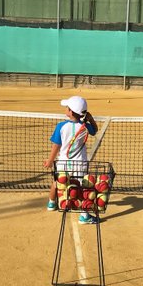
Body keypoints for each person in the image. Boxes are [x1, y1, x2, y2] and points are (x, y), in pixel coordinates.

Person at [43, 96, 99, 224]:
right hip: (80, 164)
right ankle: (84, 215)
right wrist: (90, 119)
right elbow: (94, 131)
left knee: (57, 182)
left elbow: (56, 145)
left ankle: (52, 204)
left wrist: (50, 160)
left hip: (63, 162)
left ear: (70, 112)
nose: (66, 109)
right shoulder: (85, 126)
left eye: (67, 108)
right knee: (82, 188)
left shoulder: (61, 126)